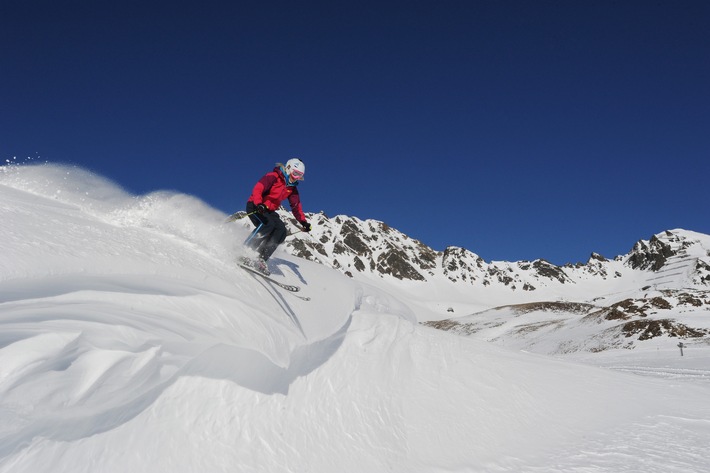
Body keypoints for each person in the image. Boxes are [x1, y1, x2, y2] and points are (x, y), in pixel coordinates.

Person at [242, 158, 311, 274]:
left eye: (299, 176)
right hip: (255, 205)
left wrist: (303, 222)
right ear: (288, 168)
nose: (296, 177)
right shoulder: (274, 176)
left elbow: (296, 206)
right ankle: (245, 250)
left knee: (281, 231)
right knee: (268, 224)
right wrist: (259, 203)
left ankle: (261, 257)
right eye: (295, 173)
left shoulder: (292, 189)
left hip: (269, 210)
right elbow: (259, 187)